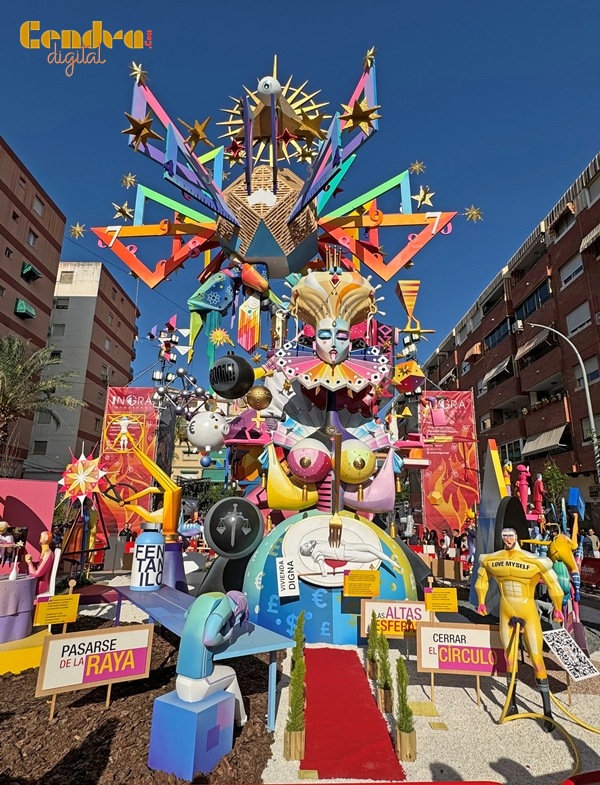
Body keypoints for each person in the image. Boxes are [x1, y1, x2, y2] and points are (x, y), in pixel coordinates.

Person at [475, 527, 564, 731]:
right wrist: (481, 602)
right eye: (505, 536)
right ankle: (511, 704)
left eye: (510, 536)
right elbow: (482, 580)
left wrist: (558, 608)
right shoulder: (492, 559)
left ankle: (547, 712)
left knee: (537, 660)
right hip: (507, 612)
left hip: (528, 612)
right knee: (509, 659)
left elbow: (553, 583)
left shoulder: (533, 560)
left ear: (516, 537)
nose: (507, 539)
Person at [299, 537, 402, 577]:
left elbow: (330, 541)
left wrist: (338, 540)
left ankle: (388, 560)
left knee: (368, 547)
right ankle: (386, 559)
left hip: (346, 546)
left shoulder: (317, 542)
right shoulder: (314, 552)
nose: (306, 543)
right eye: (305, 546)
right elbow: (320, 560)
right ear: (309, 551)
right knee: (369, 557)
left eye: (305, 543)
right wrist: (323, 571)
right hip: (344, 555)